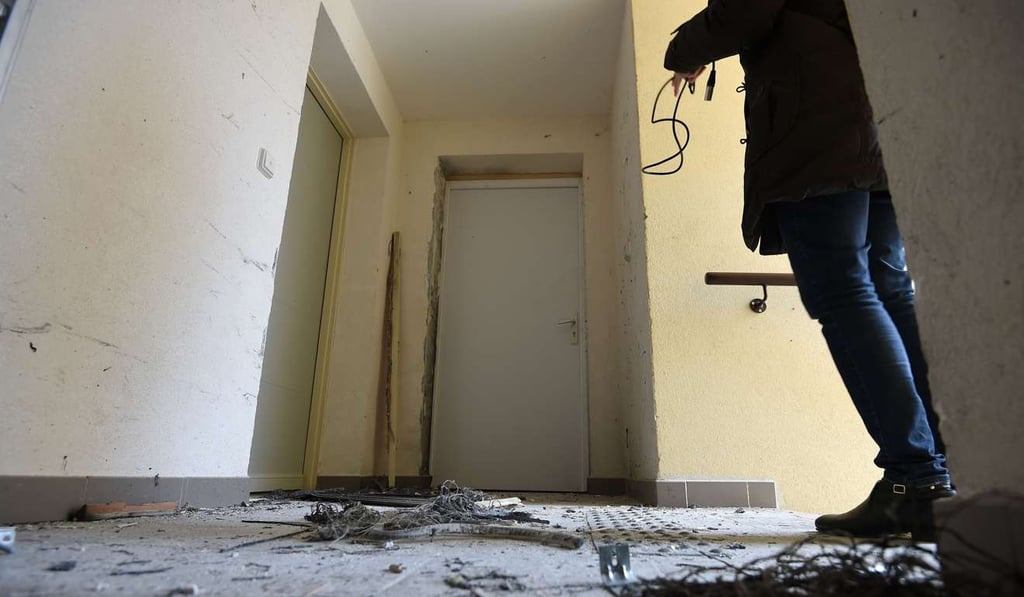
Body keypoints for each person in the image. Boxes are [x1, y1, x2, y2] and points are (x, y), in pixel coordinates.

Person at [663, 0, 954, 540]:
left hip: (818, 131)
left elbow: (743, 9)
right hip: (880, 123)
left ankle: (915, 480)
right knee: (889, 289)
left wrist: (681, 50)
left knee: (843, 291)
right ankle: (939, 479)